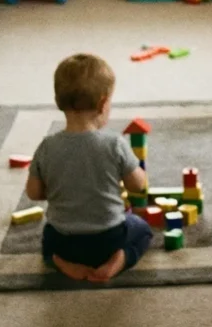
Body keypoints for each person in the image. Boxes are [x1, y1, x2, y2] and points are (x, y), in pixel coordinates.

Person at [26, 54, 152, 282]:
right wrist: (138, 171)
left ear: (59, 101)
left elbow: (34, 193)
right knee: (142, 229)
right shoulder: (114, 144)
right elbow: (137, 185)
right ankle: (118, 260)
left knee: (47, 240)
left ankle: (61, 263)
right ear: (103, 104)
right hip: (108, 240)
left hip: (64, 242)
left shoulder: (47, 147)